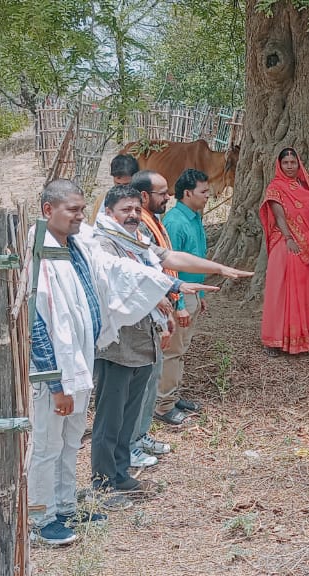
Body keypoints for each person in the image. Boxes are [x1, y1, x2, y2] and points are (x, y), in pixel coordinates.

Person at [28, 179, 217, 546]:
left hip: (79, 364)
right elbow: (37, 325)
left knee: (69, 443)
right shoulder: (40, 255)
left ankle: (66, 507)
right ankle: (40, 518)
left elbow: (124, 272)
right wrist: (55, 383)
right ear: (48, 211)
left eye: (83, 209)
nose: (81, 216)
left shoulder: (78, 247)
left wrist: (173, 287)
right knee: (47, 445)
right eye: (73, 210)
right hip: (56, 373)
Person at [89, 185, 252, 504]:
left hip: (142, 340)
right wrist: (174, 284)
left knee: (128, 416)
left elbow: (168, 257)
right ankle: (104, 482)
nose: (133, 215)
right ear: (108, 213)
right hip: (116, 344)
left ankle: (121, 474)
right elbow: (129, 275)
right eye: (125, 210)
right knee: (110, 417)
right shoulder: (103, 243)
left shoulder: (136, 241)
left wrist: (217, 267)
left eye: (137, 209)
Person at [125, 170, 176, 463]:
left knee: (151, 379)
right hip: (141, 318)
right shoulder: (136, 228)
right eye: (162, 193)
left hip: (158, 311)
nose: (167, 197)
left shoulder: (153, 222)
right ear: (144, 196)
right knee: (137, 387)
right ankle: (129, 443)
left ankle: (140, 436)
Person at [156, 168, 212, 426]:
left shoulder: (194, 217)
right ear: (188, 193)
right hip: (180, 296)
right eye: (203, 192)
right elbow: (170, 268)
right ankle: (163, 404)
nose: (208, 196)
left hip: (191, 294)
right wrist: (178, 303)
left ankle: (173, 395)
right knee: (172, 351)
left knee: (180, 350)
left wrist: (198, 294)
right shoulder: (176, 222)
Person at [259, 148, 309, 355]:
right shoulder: (275, 188)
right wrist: (289, 239)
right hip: (285, 244)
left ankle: (299, 339)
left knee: (304, 292)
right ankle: (274, 340)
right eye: (285, 162)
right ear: (280, 165)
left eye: (293, 162)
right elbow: (279, 217)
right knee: (280, 291)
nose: (289, 166)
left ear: (299, 164)